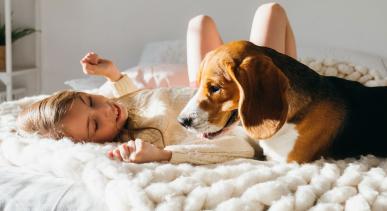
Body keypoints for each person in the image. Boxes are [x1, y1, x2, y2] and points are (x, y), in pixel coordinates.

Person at [17, 2, 296, 164]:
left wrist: (113, 74)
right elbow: (241, 147)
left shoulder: (117, 107)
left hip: (199, 95)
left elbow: (132, 97)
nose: (104, 111)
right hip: (249, 118)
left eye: (90, 101)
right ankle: (293, 83)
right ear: (86, 142)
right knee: (270, 12)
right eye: (95, 124)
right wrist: (163, 155)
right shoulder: (148, 139)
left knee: (200, 23)